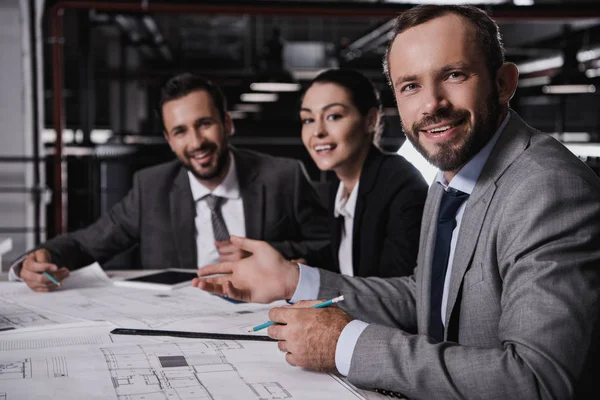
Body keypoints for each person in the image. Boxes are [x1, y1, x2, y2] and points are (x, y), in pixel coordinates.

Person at [193, 5, 600, 399]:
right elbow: (422, 297)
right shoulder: (450, 176)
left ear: (503, 83)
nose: (431, 104)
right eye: (411, 86)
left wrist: (345, 343)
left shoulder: (549, 190)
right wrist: (293, 281)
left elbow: (536, 381)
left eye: (455, 74)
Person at [12, 73, 329, 292]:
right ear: (168, 139)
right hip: (179, 323)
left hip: (265, 312)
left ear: (227, 123)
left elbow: (330, 247)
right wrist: (40, 259)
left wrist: (274, 254)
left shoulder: (283, 177)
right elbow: (85, 244)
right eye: (180, 132)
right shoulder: (151, 188)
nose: (196, 142)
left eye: (204, 124)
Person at [300, 68, 427, 277]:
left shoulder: (401, 184)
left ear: (370, 121)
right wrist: (299, 266)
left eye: (333, 116)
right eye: (308, 120)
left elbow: (399, 288)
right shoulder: (340, 185)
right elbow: (348, 255)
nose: (317, 132)